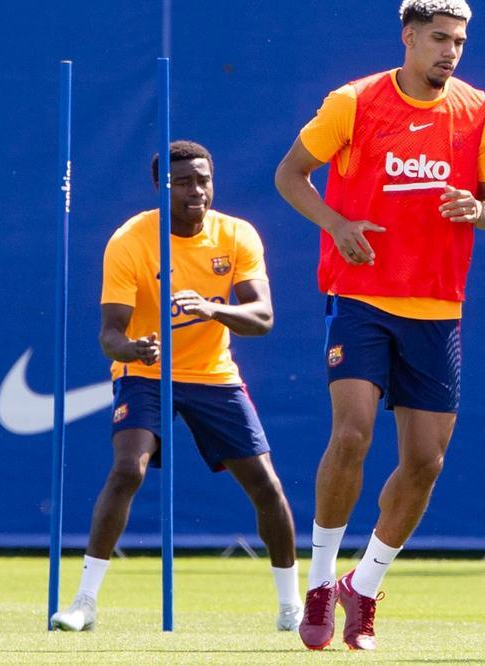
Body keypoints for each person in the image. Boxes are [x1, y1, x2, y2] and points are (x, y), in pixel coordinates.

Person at [274, 0, 485, 651]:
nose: (451, 52)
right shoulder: (355, 102)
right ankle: (319, 582)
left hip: (437, 307)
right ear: (407, 36)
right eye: (439, 38)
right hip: (362, 298)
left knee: (425, 463)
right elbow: (290, 176)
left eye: (459, 41)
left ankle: (364, 587)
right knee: (351, 435)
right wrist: (336, 223)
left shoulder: (481, 113)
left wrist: (478, 211)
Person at [51, 140, 303, 632]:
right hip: (146, 372)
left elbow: (263, 317)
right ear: (160, 187)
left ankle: (291, 606)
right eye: (183, 182)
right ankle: (84, 601)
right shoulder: (131, 240)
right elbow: (109, 336)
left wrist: (214, 310)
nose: (196, 191)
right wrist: (134, 349)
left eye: (203, 180)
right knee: (128, 469)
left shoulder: (236, 235)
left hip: (213, 373)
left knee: (266, 485)